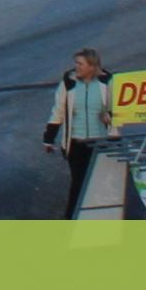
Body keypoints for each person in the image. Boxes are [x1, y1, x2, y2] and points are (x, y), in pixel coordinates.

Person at [37, 49, 114, 211]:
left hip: (101, 143)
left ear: (92, 66)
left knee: (101, 183)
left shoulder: (108, 83)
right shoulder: (69, 83)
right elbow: (58, 111)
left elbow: (119, 108)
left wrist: (110, 116)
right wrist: (48, 138)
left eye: (80, 64)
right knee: (79, 183)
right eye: (76, 63)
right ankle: (73, 219)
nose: (76, 67)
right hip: (76, 143)